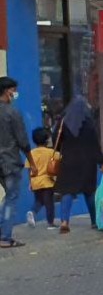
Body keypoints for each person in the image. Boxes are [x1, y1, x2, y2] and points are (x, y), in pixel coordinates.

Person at [55, 96, 103, 234]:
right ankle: (95, 221)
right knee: (89, 192)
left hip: (68, 162)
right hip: (87, 163)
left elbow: (55, 140)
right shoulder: (88, 124)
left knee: (67, 192)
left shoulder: (63, 123)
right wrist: (102, 162)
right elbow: (95, 146)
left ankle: (64, 221)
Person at [0, 76, 35, 248]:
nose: (15, 93)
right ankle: (5, 237)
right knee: (11, 199)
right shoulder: (12, 112)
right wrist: (32, 162)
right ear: (8, 91)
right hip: (10, 162)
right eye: (13, 90)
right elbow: (23, 141)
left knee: (8, 197)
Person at [26, 127, 59, 228]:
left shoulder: (31, 153)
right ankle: (51, 223)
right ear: (46, 139)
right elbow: (58, 159)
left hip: (35, 181)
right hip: (47, 182)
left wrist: (30, 182)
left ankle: (32, 212)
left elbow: (29, 168)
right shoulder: (50, 152)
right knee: (49, 203)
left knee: (39, 201)